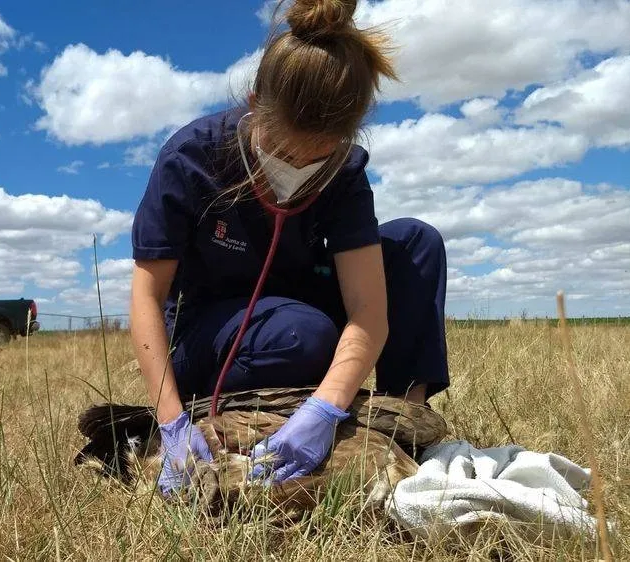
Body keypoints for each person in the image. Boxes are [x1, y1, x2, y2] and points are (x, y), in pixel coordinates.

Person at [129, 0, 450, 496]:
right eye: (282, 150)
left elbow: (369, 309)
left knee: (415, 242)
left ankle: (403, 420)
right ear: (256, 104)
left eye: (321, 155)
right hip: (210, 331)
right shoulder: (191, 159)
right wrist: (169, 421)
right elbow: (147, 297)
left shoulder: (344, 172)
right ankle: (275, 398)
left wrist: (324, 411)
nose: (300, 168)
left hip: (294, 306)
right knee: (303, 334)